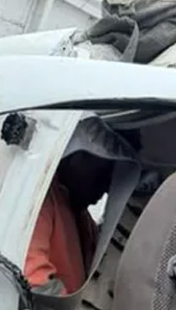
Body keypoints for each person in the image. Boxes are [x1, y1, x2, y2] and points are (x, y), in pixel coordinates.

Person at [24, 120, 121, 296]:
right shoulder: (42, 201)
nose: (106, 187)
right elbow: (34, 282)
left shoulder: (81, 216)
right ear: (78, 160)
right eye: (102, 175)